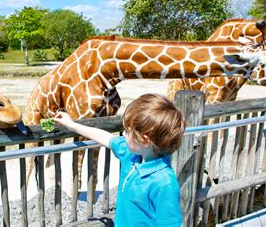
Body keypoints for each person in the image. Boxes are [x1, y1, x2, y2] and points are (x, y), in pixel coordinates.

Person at [54, 93, 185, 226]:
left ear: (144, 140)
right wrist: (71, 124)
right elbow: (105, 138)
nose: (123, 134)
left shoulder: (164, 184)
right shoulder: (132, 155)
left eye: (127, 132)